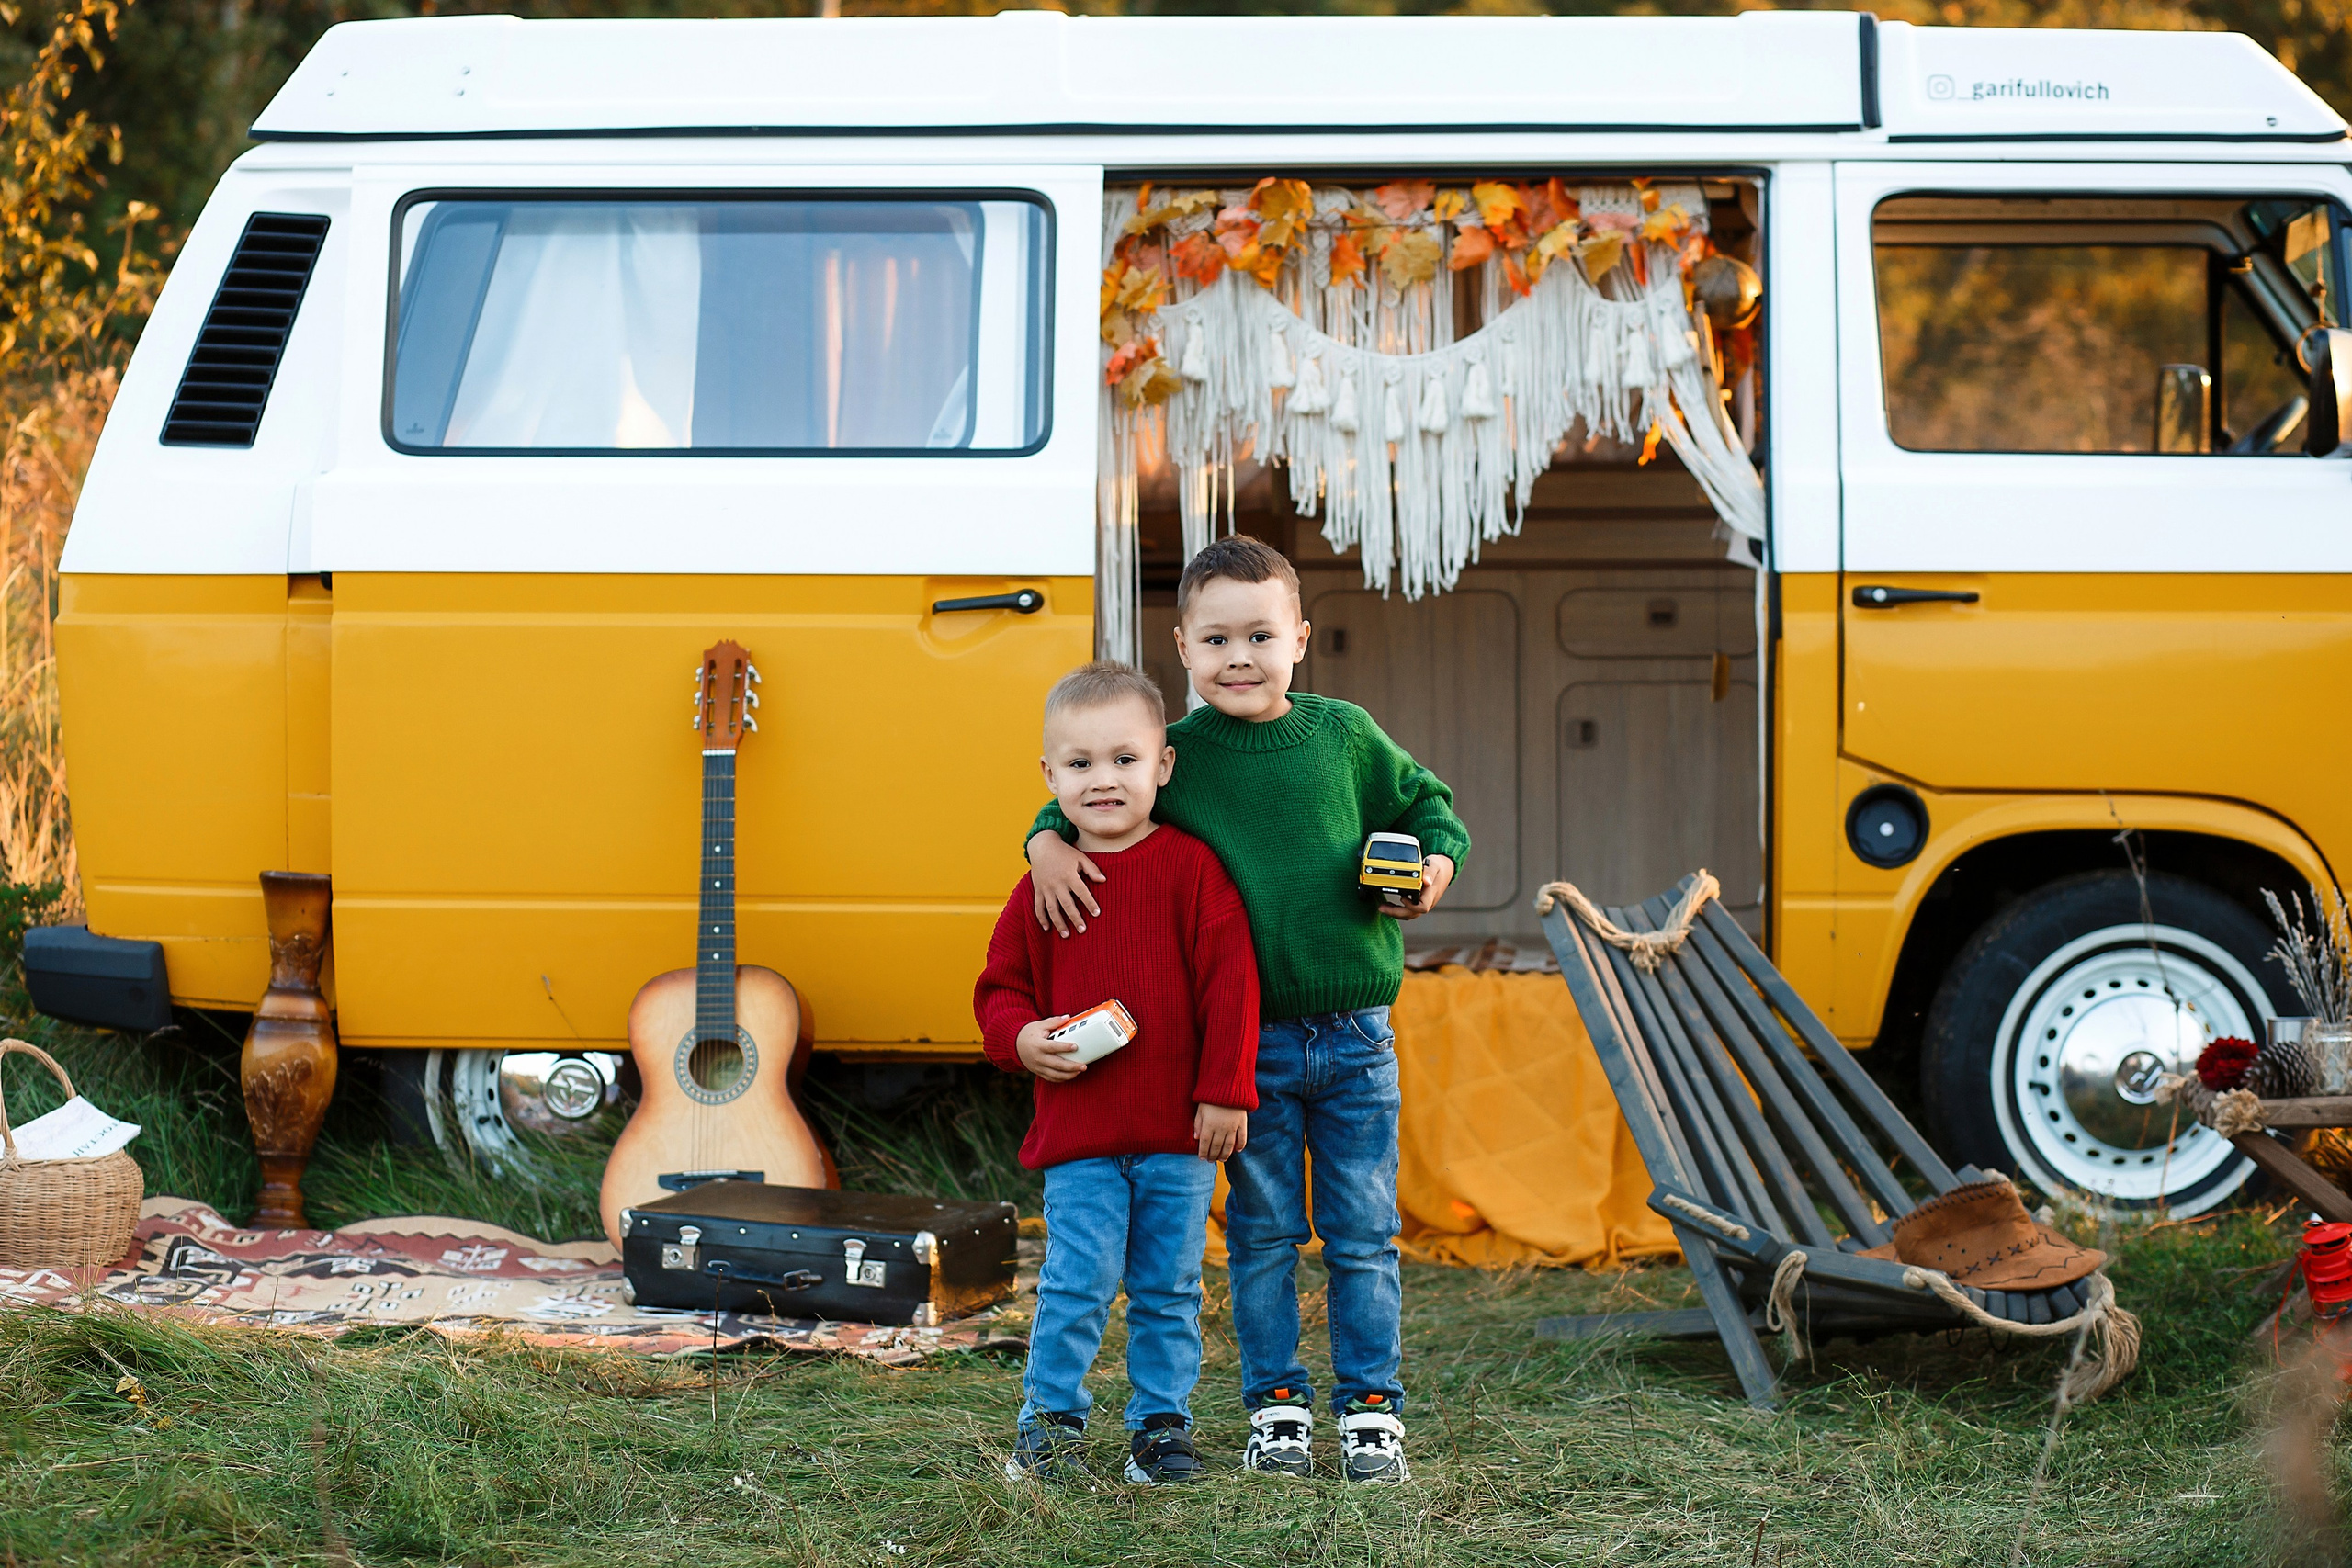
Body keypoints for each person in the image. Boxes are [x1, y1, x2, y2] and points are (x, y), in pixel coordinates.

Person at [1025, 536, 1469, 1485]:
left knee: (1360, 1230)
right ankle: (1275, 1405)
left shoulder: (1343, 735)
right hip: (1243, 1046)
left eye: (1260, 636)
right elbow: (1089, 792)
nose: (1240, 658)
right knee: (1263, 1234)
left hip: (1354, 1036)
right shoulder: (1173, 756)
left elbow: (1432, 807)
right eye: (1216, 639)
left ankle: (1370, 1408)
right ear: (1180, 647)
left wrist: (1429, 871)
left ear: (1299, 638)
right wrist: (1042, 844)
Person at [977, 659, 1261, 1487]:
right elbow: (1000, 989)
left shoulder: (1191, 870)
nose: (1104, 780)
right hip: (1082, 1136)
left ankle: (1161, 1428)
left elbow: (1230, 985)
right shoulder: (1042, 884)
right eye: (1081, 764)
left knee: (1170, 1287)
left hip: (1177, 1130)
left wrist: (1224, 1090)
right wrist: (1022, 1037)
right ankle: (1051, 1423)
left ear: (1163, 764)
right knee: (1076, 1281)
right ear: (1049, 775)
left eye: (1125, 760)